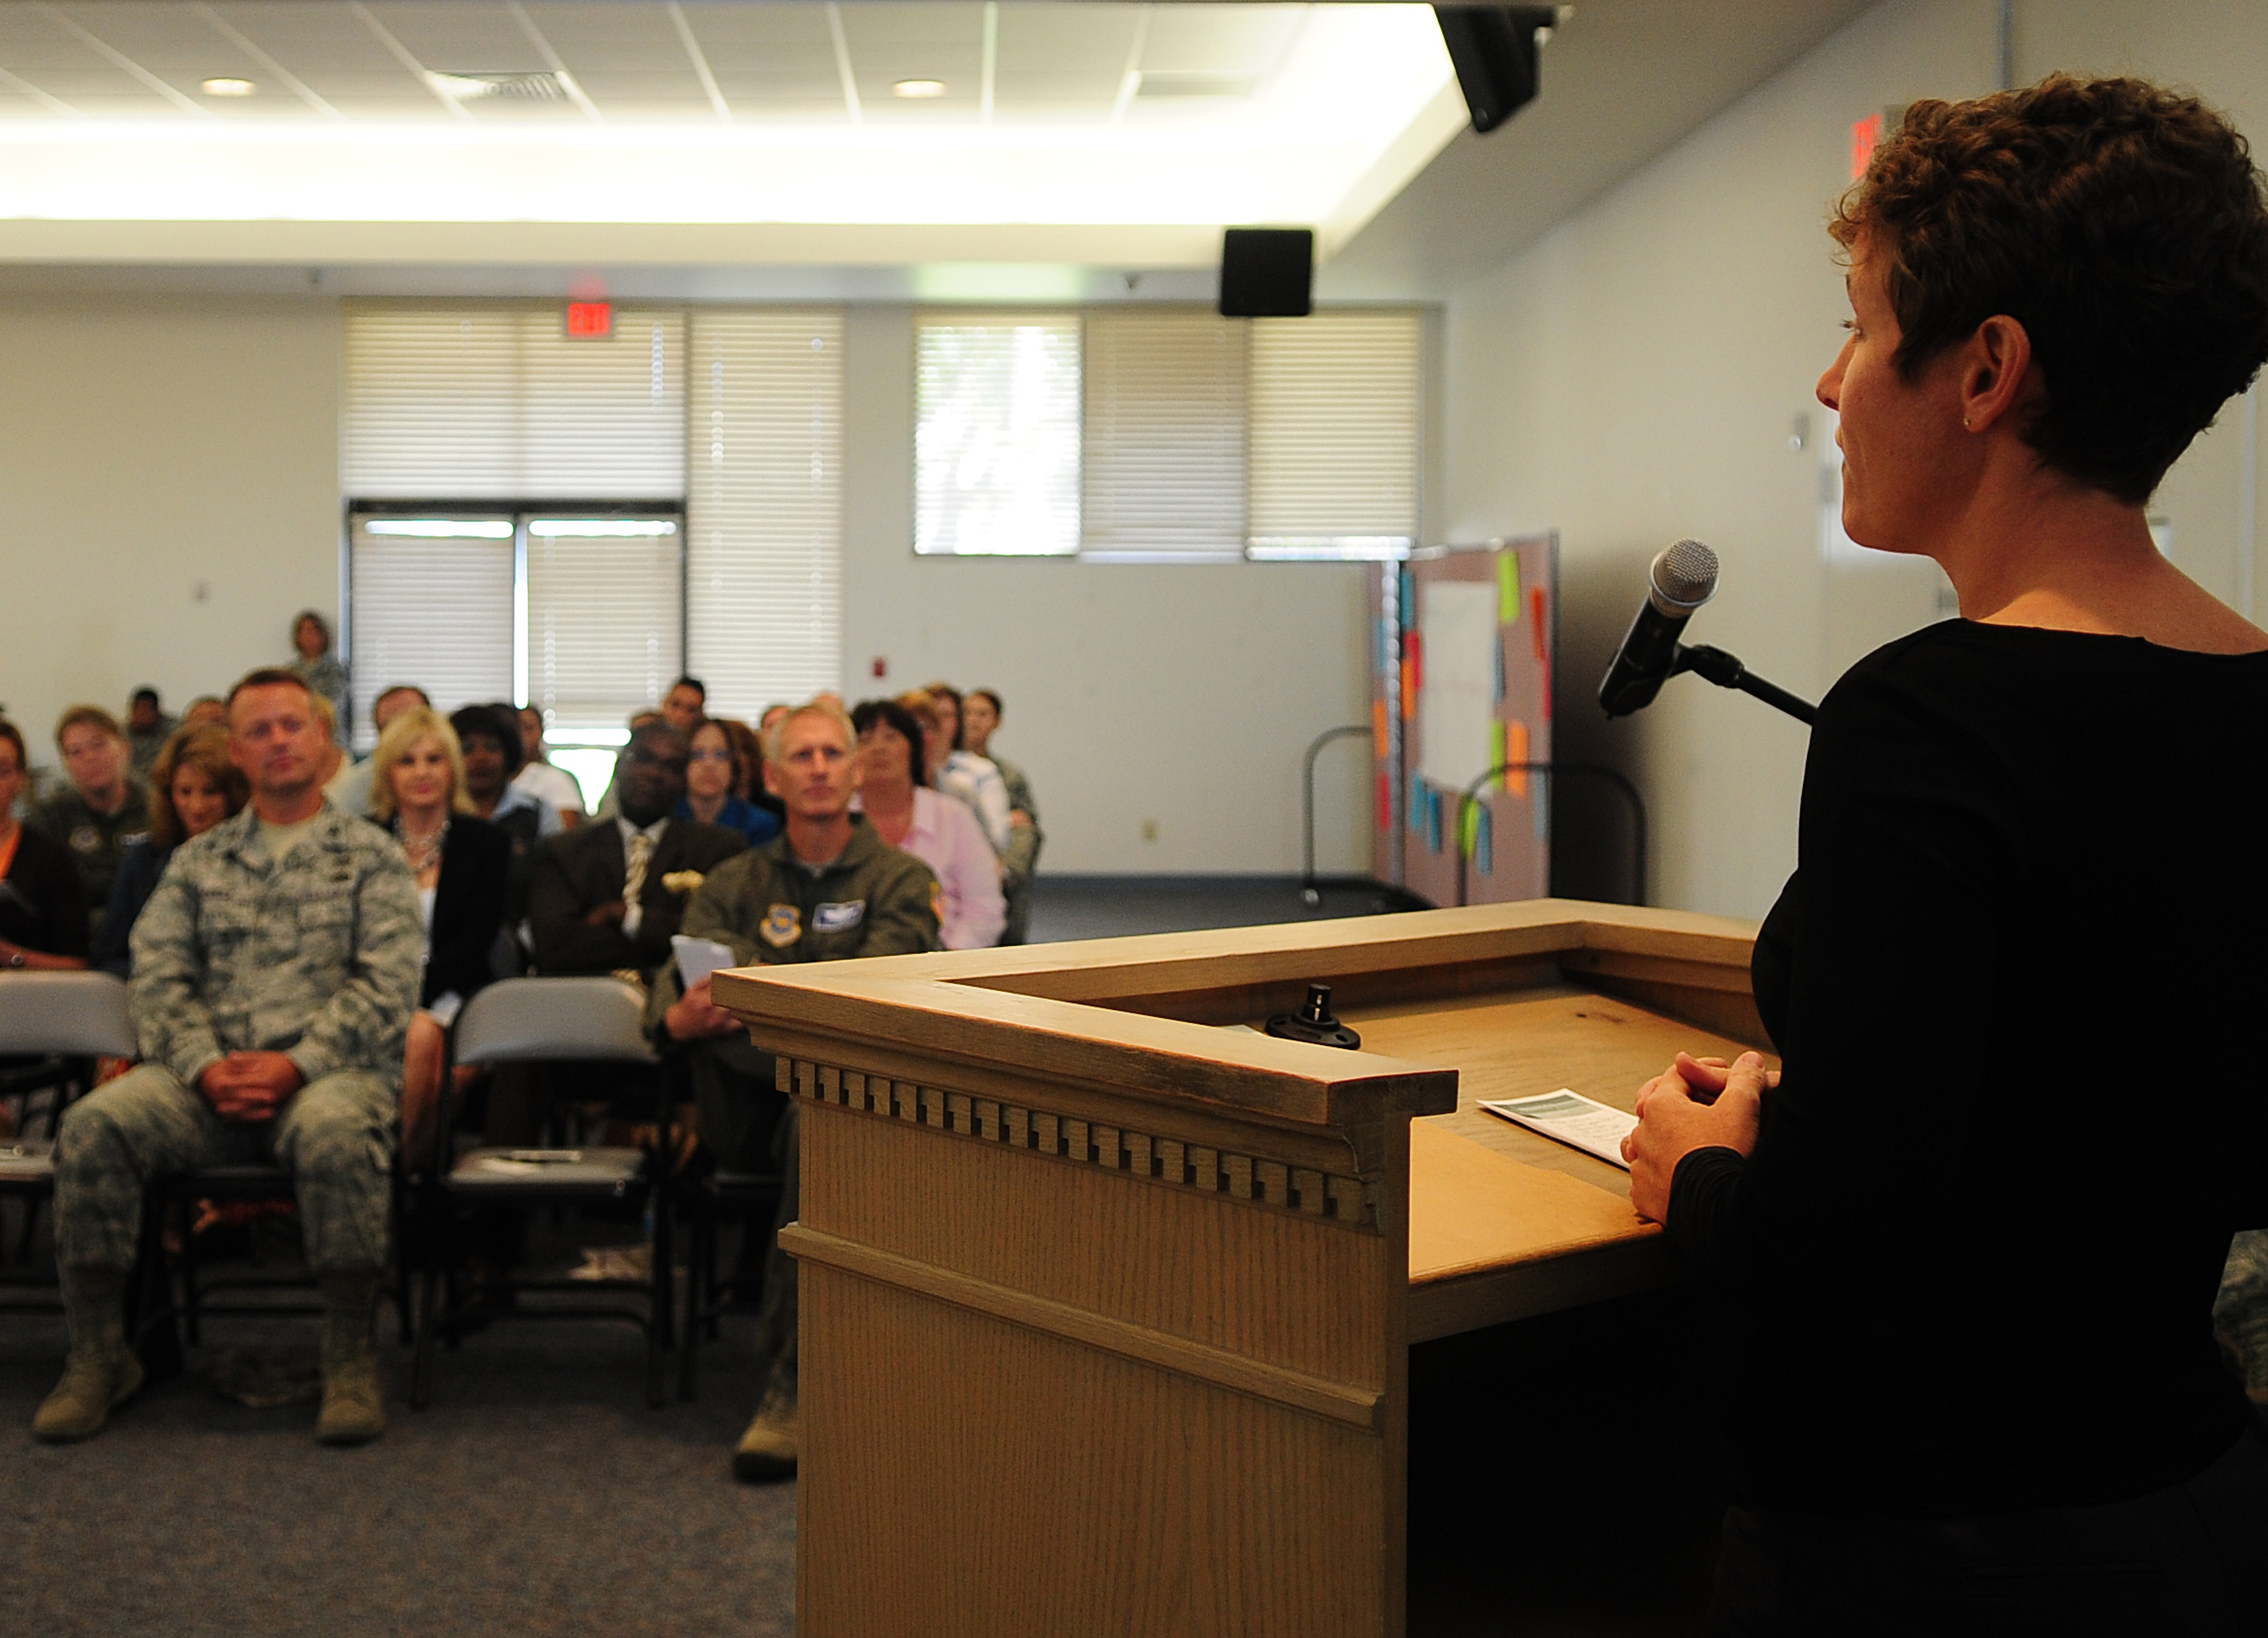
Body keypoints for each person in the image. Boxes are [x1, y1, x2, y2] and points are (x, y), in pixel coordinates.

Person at [1617, 77, 2268, 1631]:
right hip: (2191, 1503)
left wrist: (1698, 1169)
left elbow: (1832, 1248)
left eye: (1857, 322)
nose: (1831, 383)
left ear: (1983, 368)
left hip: (1929, 1544)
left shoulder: (1930, 715)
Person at [35, 668, 420, 1447]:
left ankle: (347, 1356)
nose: (277, 740)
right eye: (258, 730)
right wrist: (206, 1064)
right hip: (201, 1085)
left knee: (342, 1133)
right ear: (237, 752)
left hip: (326, 1079)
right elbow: (157, 976)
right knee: (93, 1124)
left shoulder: (372, 858)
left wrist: (297, 1064)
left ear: (321, 738)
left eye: (291, 724)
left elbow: (388, 985)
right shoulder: (199, 862)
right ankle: (101, 1355)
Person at [649, 699, 939, 1483]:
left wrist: (747, 982)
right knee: (812, 1115)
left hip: (856, 1109)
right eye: (800, 757)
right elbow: (678, 980)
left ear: (854, 770)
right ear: (772, 776)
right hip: (741, 1105)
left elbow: (872, 998)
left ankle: (793, 1380)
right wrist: (674, 1015)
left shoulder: (901, 880)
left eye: (830, 755)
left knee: (824, 1121)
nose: (816, 769)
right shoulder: (732, 880)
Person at [370, 707, 510, 1164]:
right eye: (407, 761)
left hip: (456, 996)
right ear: (387, 773)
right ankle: (410, 1181)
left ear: (453, 768)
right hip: (372, 997)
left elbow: (474, 943)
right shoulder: (361, 843)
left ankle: (399, 1176)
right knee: (418, 1042)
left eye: (434, 759)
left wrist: (414, 998)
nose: (422, 772)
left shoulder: (486, 843)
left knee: (424, 1040)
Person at [526, 721, 746, 983]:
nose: (654, 773)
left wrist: (626, 916)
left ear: (684, 781)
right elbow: (553, 947)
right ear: (619, 767)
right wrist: (659, 941)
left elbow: (713, 944)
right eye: (643, 759)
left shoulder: (718, 849)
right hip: (577, 1000)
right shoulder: (565, 850)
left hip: (673, 1005)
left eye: (671, 767)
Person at [92, 725, 248, 979]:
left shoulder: (255, 856)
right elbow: (108, 956)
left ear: (234, 794)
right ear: (168, 794)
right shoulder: (142, 860)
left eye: (210, 792)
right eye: (185, 792)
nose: (196, 807)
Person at [850, 699, 1001, 949]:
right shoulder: (838, 818)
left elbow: (984, 908)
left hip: (942, 961)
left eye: (891, 737)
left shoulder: (953, 816)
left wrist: (945, 960)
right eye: (865, 740)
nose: (878, 748)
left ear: (914, 748)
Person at [30, 706, 151, 942]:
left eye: (98, 745)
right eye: (75, 752)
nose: (89, 758)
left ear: (125, 749)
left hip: (148, 934)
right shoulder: (51, 817)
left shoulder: (156, 808)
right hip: (75, 938)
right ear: (66, 764)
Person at [0, 719, 90, 972]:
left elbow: (76, 964)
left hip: (29, 999)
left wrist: (11, 956)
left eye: (2, 770)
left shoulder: (52, 859)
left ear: (20, 780)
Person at [961, 688, 1043, 945]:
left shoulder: (1010, 776)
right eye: (968, 713)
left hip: (1001, 864)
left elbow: (1027, 824)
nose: (973, 720)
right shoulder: (943, 770)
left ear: (997, 722)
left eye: (982, 714)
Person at [899, 687, 1011, 855]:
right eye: (910, 728)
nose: (918, 736)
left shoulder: (964, 790)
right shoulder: (874, 790)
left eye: (925, 727)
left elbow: (992, 847)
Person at [325, 684, 429, 817]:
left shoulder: (453, 771)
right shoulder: (353, 789)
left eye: (411, 721)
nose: (402, 733)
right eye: (390, 726)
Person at [677, 716, 781, 849]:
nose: (710, 764)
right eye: (698, 755)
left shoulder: (760, 824)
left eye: (720, 755)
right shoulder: (666, 818)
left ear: (733, 764)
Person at [512, 706, 586, 827]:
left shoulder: (556, 779)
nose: (522, 735)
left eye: (528, 728)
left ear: (541, 731)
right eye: (517, 729)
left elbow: (565, 836)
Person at [288, 609, 349, 730]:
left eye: (312, 630)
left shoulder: (336, 670)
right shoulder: (290, 671)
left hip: (329, 731)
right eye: (302, 631)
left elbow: (333, 704)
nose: (307, 636)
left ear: (323, 634)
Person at [123, 688, 177, 778]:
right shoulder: (123, 733)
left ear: (157, 711)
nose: (140, 715)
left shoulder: (174, 730)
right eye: (137, 710)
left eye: (145, 710)